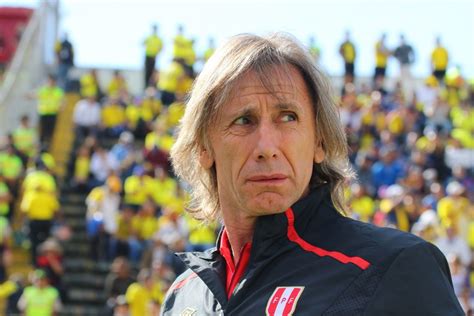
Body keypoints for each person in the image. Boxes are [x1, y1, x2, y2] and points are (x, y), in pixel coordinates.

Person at [161, 33, 463, 315]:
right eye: (243, 120)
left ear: (319, 141)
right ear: (203, 146)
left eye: (288, 117)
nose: (266, 147)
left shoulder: (394, 267)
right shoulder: (182, 295)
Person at [144, 24, 163, 88]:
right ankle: (146, 86)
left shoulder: (158, 39)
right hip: (147, 56)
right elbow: (143, 43)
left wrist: (156, 53)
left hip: (153, 57)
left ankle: (152, 86)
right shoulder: (149, 37)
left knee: (152, 72)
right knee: (147, 72)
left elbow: (161, 47)